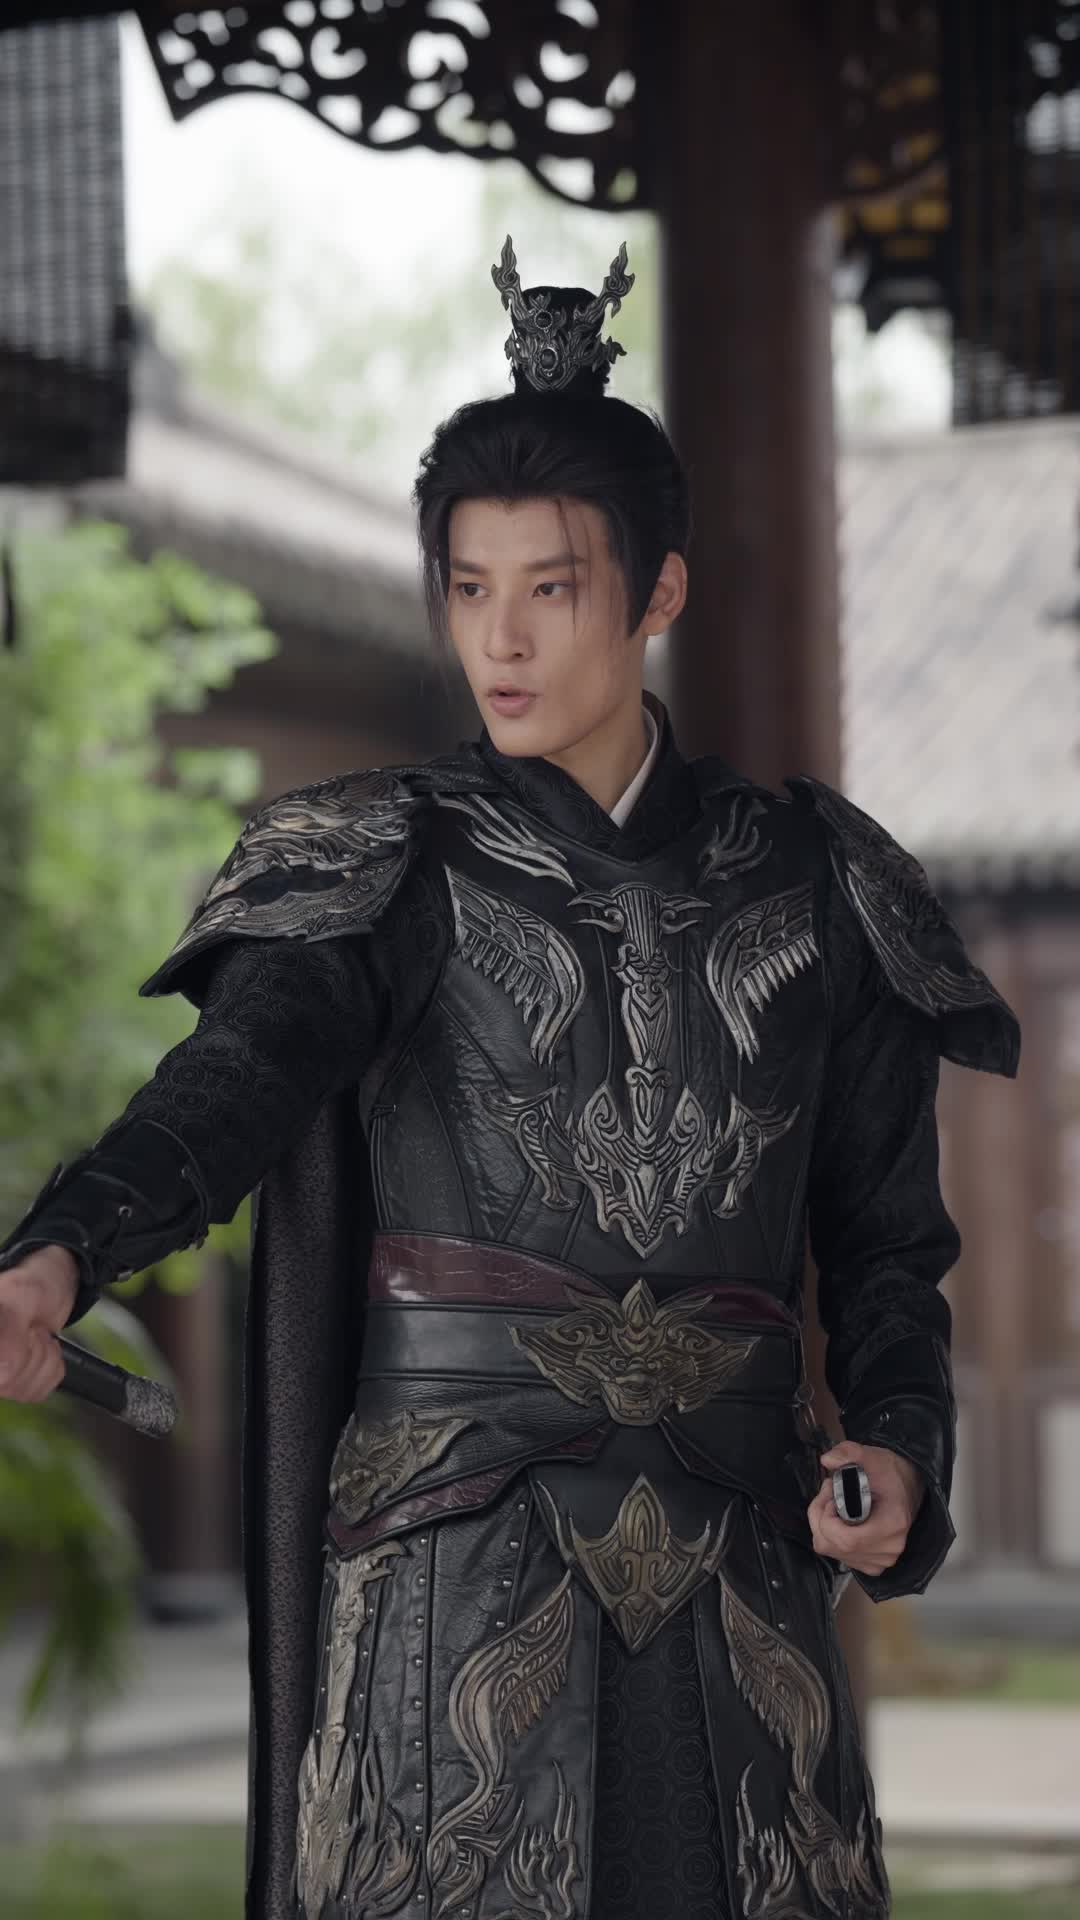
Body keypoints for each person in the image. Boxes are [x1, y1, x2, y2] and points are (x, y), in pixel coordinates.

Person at [0, 237, 1020, 1920]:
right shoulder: (382, 862)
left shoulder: (819, 884)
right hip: (449, 1572)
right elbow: (232, 1084)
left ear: (658, 593)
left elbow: (888, 1248)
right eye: (468, 588)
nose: (502, 638)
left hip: (740, 1574)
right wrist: (62, 1251)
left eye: (550, 588)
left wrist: (901, 1448)